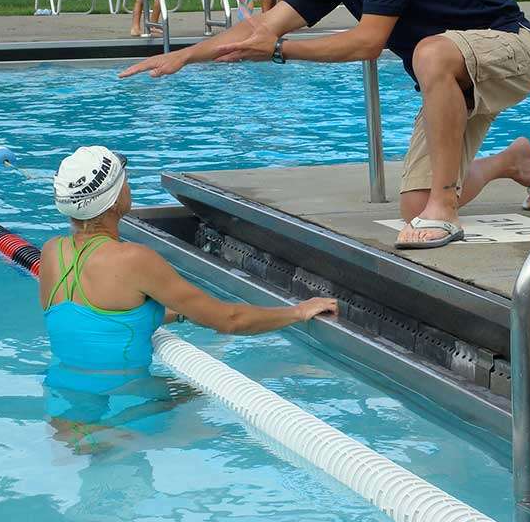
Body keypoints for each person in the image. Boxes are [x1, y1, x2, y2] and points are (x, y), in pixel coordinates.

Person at [120, 0, 530, 250]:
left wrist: (278, 52)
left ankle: (446, 210)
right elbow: (264, 26)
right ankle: (514, 162)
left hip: (513, 48)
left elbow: (367, 42)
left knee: (430, 51)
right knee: (413, 207)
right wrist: (184, 56)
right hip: (451, 78)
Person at [38, 145, 338, 433]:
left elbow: (98, 321)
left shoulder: (52, 253)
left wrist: (179, 314)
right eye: (124, 181)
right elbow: (230, 320)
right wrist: (298, 311)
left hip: (63, 404)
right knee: (219, 409)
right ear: (114, 201)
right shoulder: (134, 259)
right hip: (130, 408)